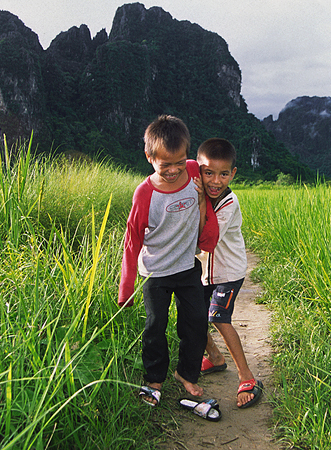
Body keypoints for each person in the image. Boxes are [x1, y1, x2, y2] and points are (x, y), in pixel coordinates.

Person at [118, 115, 218, 407]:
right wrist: (126, 287)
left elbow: (217, 184)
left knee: (197, 323)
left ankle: (186, 372)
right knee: (154, 326)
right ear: (149, 158)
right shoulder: (145, 193)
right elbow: (132, 240)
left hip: (187, 267)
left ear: (187, 155)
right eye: (165, 165)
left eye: (179, 162)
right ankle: (154, 379)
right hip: (155, 273)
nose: (174, 170)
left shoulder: (194, 172)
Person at [196, 138, 263, 408]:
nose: (215, 181)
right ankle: (214, 356)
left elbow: (207, 240)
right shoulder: (193, 191)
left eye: (223, 174)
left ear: (232, 174)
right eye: (208, 172)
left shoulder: (228, 202)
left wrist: (200, 198)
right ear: (197, 170)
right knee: (193, 317)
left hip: (229, 273)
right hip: (204, 273)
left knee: (218, 317)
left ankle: (247, 377)